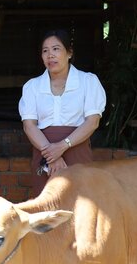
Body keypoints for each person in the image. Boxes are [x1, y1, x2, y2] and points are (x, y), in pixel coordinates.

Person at [18, 29, 106, 196]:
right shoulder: (32, 86)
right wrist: (52, 155)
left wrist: (62, 146)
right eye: (45, 51)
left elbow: (92, 122)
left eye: (56, 49)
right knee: (46, 209)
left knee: (81, 206)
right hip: (44, 155)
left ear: (69, 52)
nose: (50, 55)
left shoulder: (88, 82)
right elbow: (29, 126)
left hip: (76, 152)